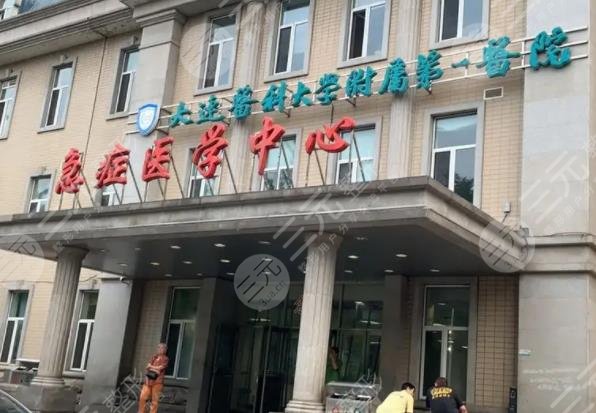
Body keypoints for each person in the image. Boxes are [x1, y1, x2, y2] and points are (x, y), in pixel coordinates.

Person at [138, 343, 169, 413]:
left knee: (154, 400)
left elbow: (160, 368)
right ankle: (141, 411)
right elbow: (147, 367)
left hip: (158, 382)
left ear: (165, 350)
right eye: (158, 347)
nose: (159, 349)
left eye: (161, 348)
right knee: (142, 397)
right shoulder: (154, 357)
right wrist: (155, 369)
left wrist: (151, 367)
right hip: (148, 380)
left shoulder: (165, 359)